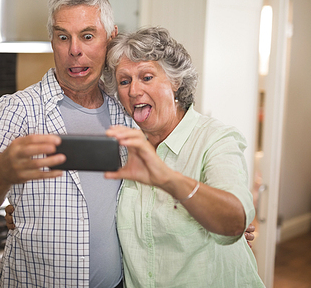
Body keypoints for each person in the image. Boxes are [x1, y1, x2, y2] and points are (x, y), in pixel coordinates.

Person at [0, 0, 134, 287]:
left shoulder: (126, 109)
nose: (74, 50)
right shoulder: (19, 109)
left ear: (111, 38)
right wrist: (1, 172)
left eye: (88, 36)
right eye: (63, 36)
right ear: (52, 40)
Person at [101, 26, 265, 287]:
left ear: (175, 82)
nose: (133, 91)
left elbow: (235, 220)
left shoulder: (216, 139)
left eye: (146, 77)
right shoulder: (123, 146)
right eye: (124, 81)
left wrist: (167, 178)